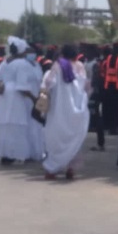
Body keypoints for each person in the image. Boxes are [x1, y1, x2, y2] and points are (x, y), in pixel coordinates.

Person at [0, 37, 44, 165]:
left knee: (6, 125)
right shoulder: (22, 64)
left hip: (5, 96)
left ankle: (6, 153)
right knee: (18, 125)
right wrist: (34, 98)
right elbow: (21, 86)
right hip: (18, 97)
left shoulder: (5, 62)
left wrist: (0, 86)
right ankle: (16, 154)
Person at [42, 45, 90, 180]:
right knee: (74, 139)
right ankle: (71, 169)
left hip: (59, 109)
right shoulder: (80, 66)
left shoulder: (57, 66)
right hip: (77, 109)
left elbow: (49, 83)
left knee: (56, 137)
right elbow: (86, 86)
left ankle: (52, 169)